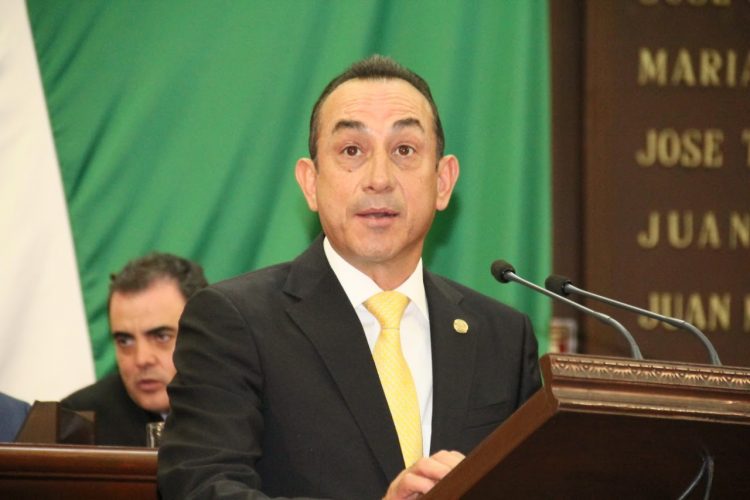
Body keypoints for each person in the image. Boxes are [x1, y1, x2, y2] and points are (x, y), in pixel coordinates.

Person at [158, 55, 541, 499]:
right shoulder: (234, 321)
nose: (379, 179)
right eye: (352, 151)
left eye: (404, 150)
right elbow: (202, 487)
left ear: (442, 182)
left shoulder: (502, 337)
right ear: (310, 182)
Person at [61, 253, 208, 446]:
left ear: (203, 333)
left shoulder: (243, 407)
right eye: (125, 341)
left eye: (161, 337)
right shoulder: (80, 420)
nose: (141, 359)